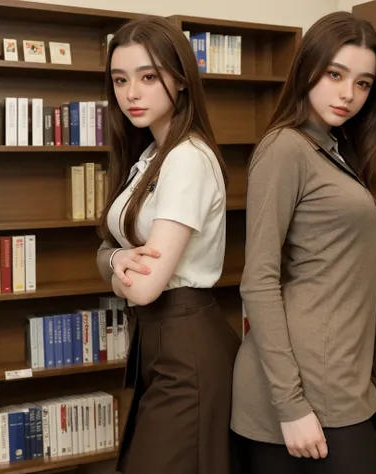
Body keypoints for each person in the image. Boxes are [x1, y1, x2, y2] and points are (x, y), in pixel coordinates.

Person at [230, 11, 376, 474]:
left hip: (348, 386)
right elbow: (259, 281)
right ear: (308, 68)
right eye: (335, 74)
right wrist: (290, 405)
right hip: (295, 393)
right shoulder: (285, 148)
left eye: (363, 83)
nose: (348, 94)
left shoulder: (344, 157)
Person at [95, 14, 240, 474]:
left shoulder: (187, 160)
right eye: (120, 79)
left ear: (179, 79)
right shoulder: (150, 157)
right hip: (157, 342)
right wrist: (116, 259)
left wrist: (112, 268)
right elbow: (108, 248)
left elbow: (144, 289)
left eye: (148, 76)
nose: (131, 93)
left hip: (187, 344)